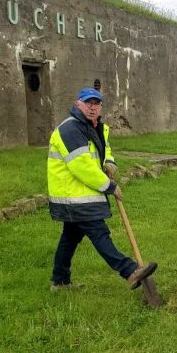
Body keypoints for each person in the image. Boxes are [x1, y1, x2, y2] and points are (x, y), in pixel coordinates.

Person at [47, 87, 157, 290]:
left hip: (80, 193)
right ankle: (130, 271)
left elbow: (104, 149)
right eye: (88, 102)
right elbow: (82, 165)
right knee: (99, 232)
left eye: (96, 103)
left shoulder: (95, 127)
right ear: (77, 104)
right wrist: (109, 186)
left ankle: (59, 280)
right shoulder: (70, 129)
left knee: (70, 237)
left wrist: (110, 162)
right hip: (73, 194)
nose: (92, 107)